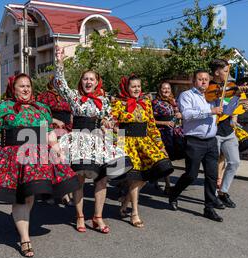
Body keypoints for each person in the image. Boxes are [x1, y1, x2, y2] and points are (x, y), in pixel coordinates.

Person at [0, 73, 79, 258]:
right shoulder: (4, 107)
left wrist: (58, 150)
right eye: (21, 86)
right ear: (13, 89)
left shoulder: (42, 108)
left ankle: (22, 221)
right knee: (21, 197)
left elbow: (49, 133)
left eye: (28, 86)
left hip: (39, 158)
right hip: (14, 157)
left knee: (29, 195)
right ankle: (25, 238)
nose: (26, 89)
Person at [54, 46, 132, 234]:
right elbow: (59, 83)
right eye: (85, 78)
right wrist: (60, 61)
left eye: (92, 79)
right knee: (79, 179)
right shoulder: (74, 96)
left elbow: (110, 118)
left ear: (97, 82)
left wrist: (108, 122)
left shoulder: (104, 100)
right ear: (81, 81)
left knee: (102, 179)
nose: (88, 81)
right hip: (79, 140)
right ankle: (80, 216)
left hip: (98, 140)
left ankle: (97, 217)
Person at [168, 70, 242, 222]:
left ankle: (209, 207)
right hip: (194, 141)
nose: (203, 82)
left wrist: (236, 102)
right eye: (200, 79)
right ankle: (173, 194)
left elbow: (225, 111)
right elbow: (187, 114)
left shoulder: (214, 96)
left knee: (212, 176)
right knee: (191, 175)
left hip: (211, 140)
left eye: (206, 79)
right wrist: (210, 111)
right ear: (194, 81)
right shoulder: (186, 95)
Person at [112, 75, 173, 228]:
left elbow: (151, 126)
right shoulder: (118, 103)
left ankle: (126, 200)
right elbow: (113, 123)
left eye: (138, 86)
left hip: (145, 142)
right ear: (127, 88)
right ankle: (135, 213)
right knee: (135, 177)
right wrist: (117, 144)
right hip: (128, 143)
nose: (136, 89)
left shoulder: (146, 103)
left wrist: (160, 146)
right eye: (133, 86)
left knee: (151, 173)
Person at [210, 59, 248, 208]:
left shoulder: (232, 87)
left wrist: (244, 106)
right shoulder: (208, 88)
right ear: (217, 72)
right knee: (213, 165)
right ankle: (212, 196)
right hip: (213, 132)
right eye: (226, 71)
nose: (229, 74)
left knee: (234, 162)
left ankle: (223, 192)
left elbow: (237, 106)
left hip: (228, 131)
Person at [37, 76, 74, 206]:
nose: (58, 84)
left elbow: (71, 112)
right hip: (50, 129)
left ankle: (66, 192)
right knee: (51, 162)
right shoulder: (44, 96)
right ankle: (48, 193)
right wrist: (55, 121)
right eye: (56, 82)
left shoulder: (68, 95)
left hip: (67, 130)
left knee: (66, 161)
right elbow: (40, 114)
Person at [152, 81, 185, 193]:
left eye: (168, 89)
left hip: (173, 134)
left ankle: (155, 178)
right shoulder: (155, 102)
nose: (166, 91)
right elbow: (150, 121)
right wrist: (165, 123)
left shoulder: (173, 101)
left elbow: (176, 117)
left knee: (167, 158)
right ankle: (167, 184)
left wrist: (179, 116)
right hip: (160, 134)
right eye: (164, 89)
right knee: (165, 159)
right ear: (159, 90)